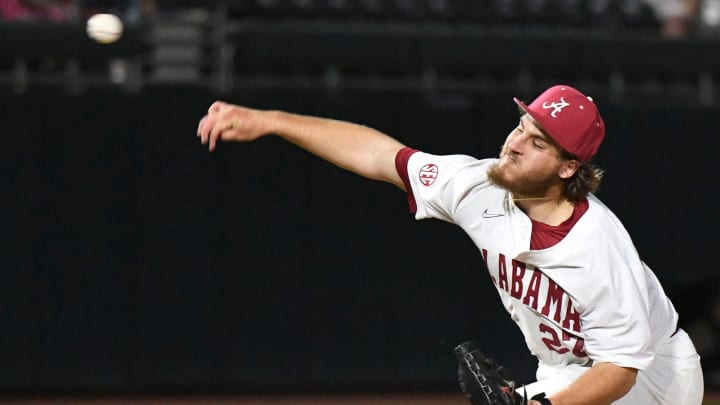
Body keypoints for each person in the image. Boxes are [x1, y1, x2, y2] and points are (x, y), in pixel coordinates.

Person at [196, 84, 704, 405]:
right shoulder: (477, 185)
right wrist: (272, 122)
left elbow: (620, 369)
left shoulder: (598, 246)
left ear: (568, 167)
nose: (514, 142)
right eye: (521, 126)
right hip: (565, 369)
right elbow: (380, 155)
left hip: (653, 379)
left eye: (537, 142)